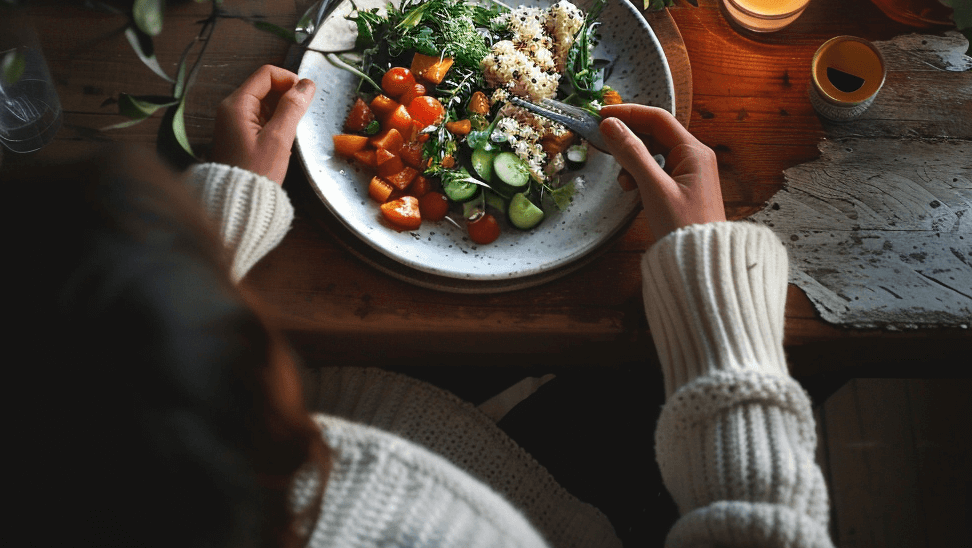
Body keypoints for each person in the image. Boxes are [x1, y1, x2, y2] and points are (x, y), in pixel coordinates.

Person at [20, 64, 834, 547]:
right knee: (806, 361)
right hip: (552, 517)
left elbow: (77, 374)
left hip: (411, 420)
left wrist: (207, 243)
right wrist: (713, 293)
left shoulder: (69, 475)